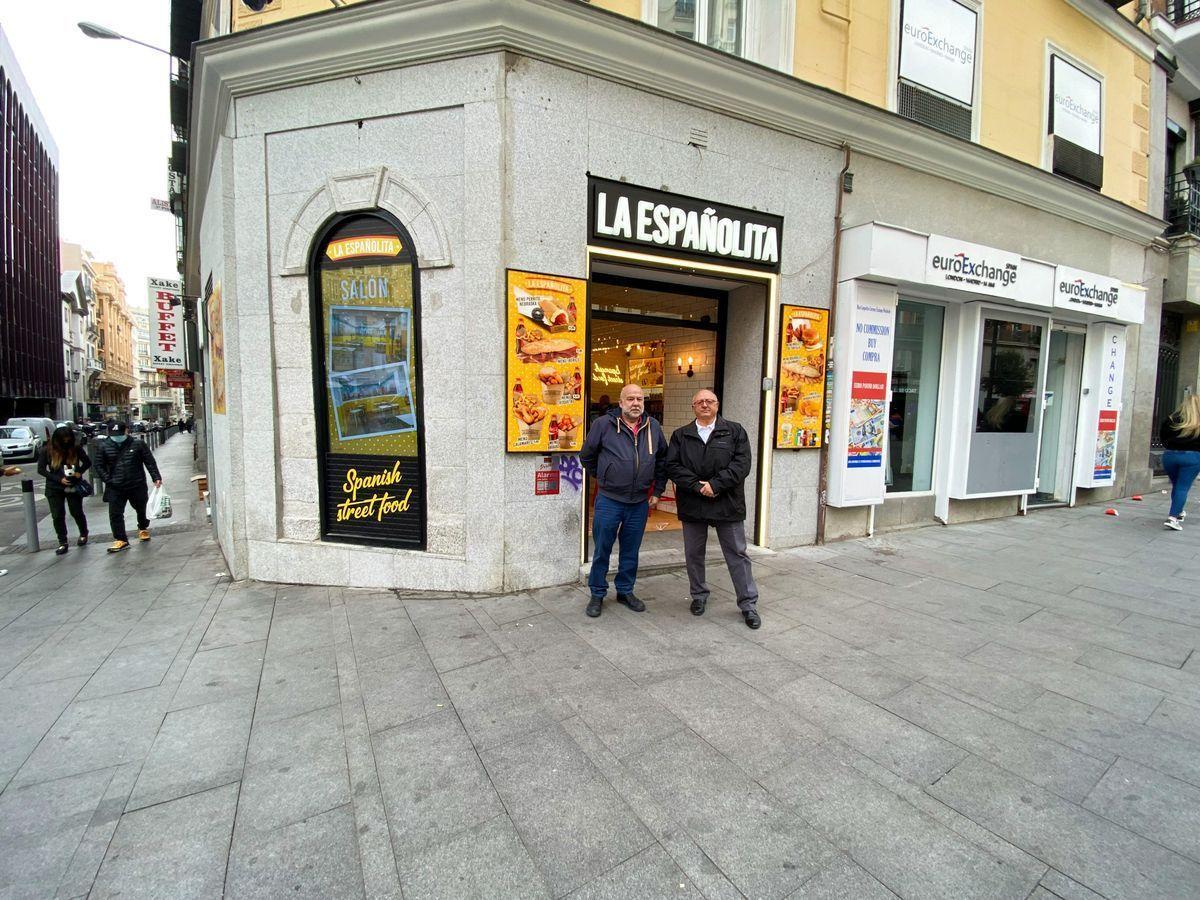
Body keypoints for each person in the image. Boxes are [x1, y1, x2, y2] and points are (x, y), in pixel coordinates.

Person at [665, 389, 761, 629]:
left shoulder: (735, 431)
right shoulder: (681, 435)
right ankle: (698, 596)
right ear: (693, 406)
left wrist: (716, 485)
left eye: (709, 401)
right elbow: (673, 466)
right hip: (693, 502)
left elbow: (742, 464)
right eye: (700, 402)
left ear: (717, 405)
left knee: (737, 555)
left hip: (727, 502)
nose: (705, 405)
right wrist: (698, 487)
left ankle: (748, 604)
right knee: (694, 554)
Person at [579, 383, 667, 618]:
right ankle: (597, 593)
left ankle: (625, 591)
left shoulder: (653, 426)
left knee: (631, 551)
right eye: (630, 399)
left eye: (639, 399)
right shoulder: (603, 425)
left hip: (639, 502)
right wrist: (605, 475)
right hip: (609, 500)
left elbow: (662, 461)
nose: (636, 403)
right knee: (602, 549)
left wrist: (657, 491)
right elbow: (586, 455)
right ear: (620, 403)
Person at [93, 421, 162, 552]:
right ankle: (121, 539)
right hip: (115, 486)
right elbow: (98, 465)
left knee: (141, 508)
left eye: (119, 433)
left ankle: (143, 528)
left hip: (136, 483)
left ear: (126, 431)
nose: (117, 437)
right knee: (115, 513)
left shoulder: (138, 444)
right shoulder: (104, 446)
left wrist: (156, 477)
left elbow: (149, 461)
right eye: (114, 434)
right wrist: (108, 480)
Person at [37, 426, 91, 555]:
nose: (66, 442)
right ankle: (62, 541)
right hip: (54, 487)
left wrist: (79, 472)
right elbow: (41, 469)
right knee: (57, 515)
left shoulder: (75, 448)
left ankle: (83, 533)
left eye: (68, 439)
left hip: (73, 484)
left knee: (76, 511)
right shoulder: (47, 450)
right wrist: (58, 479)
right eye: (63, 440)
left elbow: (87, 462)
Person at [1161, 393, 1200, 531]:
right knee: (1182, 487)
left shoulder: (1172, 419)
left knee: (1177, 485)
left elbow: (1162, 437)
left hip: (1170, 456)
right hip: (1192, 457)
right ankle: (1172, 518)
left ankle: (1179, 511)